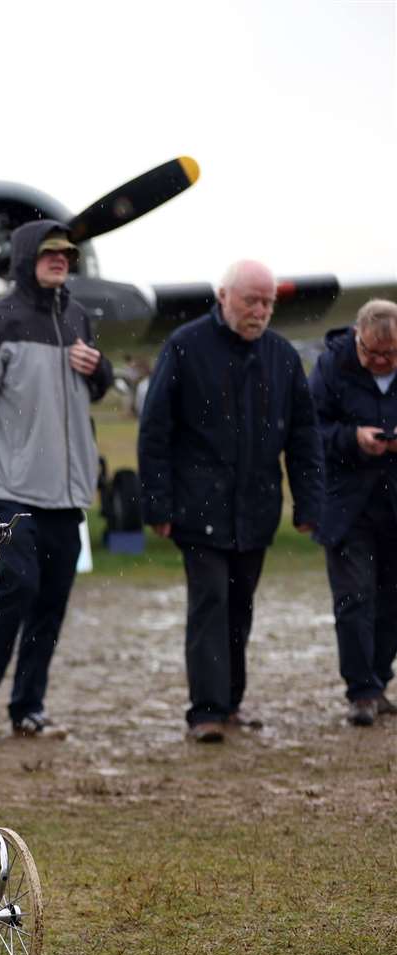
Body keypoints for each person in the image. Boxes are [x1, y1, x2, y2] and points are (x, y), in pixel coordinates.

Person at [0, 221, 113, 739]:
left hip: (67, 490)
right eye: (49, 251)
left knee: (53, 598)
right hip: (7, 485)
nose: (61, 258)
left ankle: (29, 706)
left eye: (67, 252)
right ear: (24, 257)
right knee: (18, 582)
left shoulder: (78, 317)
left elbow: (97, 391)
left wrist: (98, 369)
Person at [137, 260, 322, 743]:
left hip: (256, 509)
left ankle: (232, 700)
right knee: (211, 601)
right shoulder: (185, 346)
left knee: (240, 605)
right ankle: (206, 711)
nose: (259, 311)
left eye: (268, 303)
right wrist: (156, 505)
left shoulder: (282, 357)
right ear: (224, 296)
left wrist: (309, 504)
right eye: (251, 301)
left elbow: (304, 437)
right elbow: (156, 430)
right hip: (198, 508)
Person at [309, 299, 397, 727]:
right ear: (357, 337)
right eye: (371, 353)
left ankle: (379, 680)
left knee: (391, 599)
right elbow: (310, 429)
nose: (379, 361)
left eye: (390, 355)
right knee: (354, 597)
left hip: (394, 500)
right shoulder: (331, 368)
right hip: (346, 503)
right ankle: (360, 691)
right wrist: (352, 439)